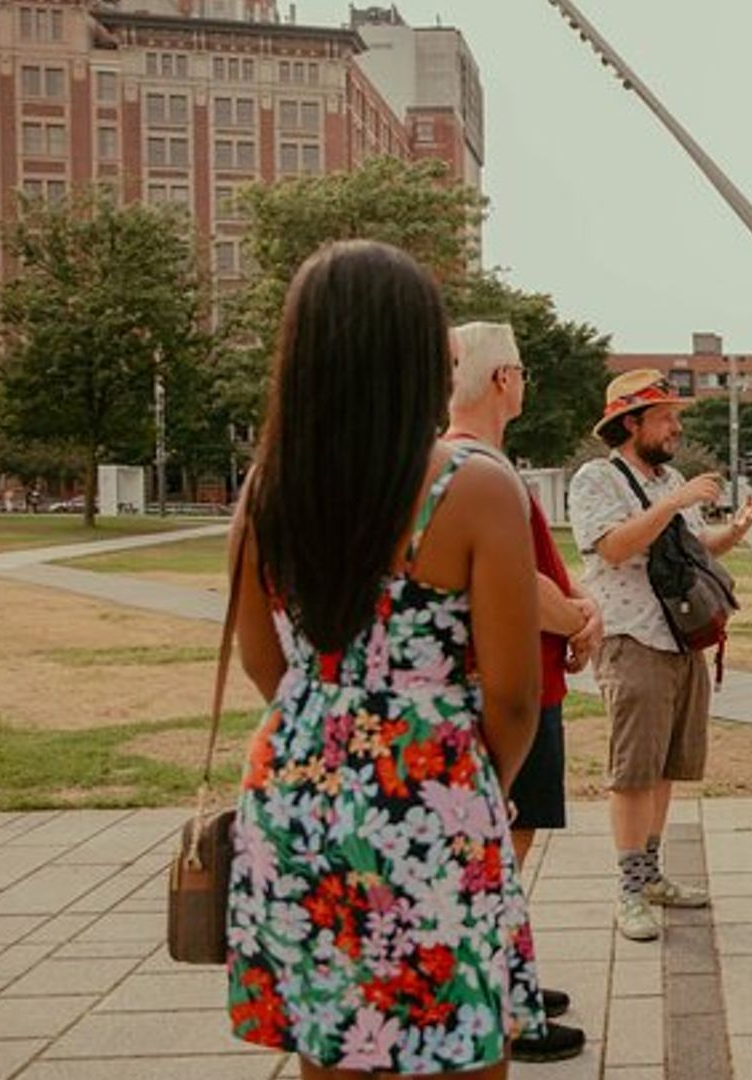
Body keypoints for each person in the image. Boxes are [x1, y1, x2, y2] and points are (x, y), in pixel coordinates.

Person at [224, 240, 544, 1079]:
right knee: (463, 1047)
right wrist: (476, 785)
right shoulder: (474, 488)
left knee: (332, 1047)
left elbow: (269, 668)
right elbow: (514, 698)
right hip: (430, 792)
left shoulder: (265, 490)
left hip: (295, 790)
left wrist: (332, 722)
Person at [444, 320, 599, 1064]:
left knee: (503, 851)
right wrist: (577, 619)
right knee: (504, 851)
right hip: (513, 688)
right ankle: (500, 1007)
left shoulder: (458, 462)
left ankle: (509, 980)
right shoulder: (485, 470)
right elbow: (521, 583)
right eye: (524, 371)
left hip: (502, 677)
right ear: (503, 380)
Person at [567, 369, 752, 942]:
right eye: (665, 417)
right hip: (632, 638)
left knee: (668, 765)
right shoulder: (596, 479)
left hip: (681, 639)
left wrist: (737, 531)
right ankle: (628, 892)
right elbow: (614, 546)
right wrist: (673, 500)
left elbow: (693, 549)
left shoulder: (669, 475)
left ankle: (651, 876)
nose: (676, 426)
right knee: (633, 772)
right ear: (631, 423)